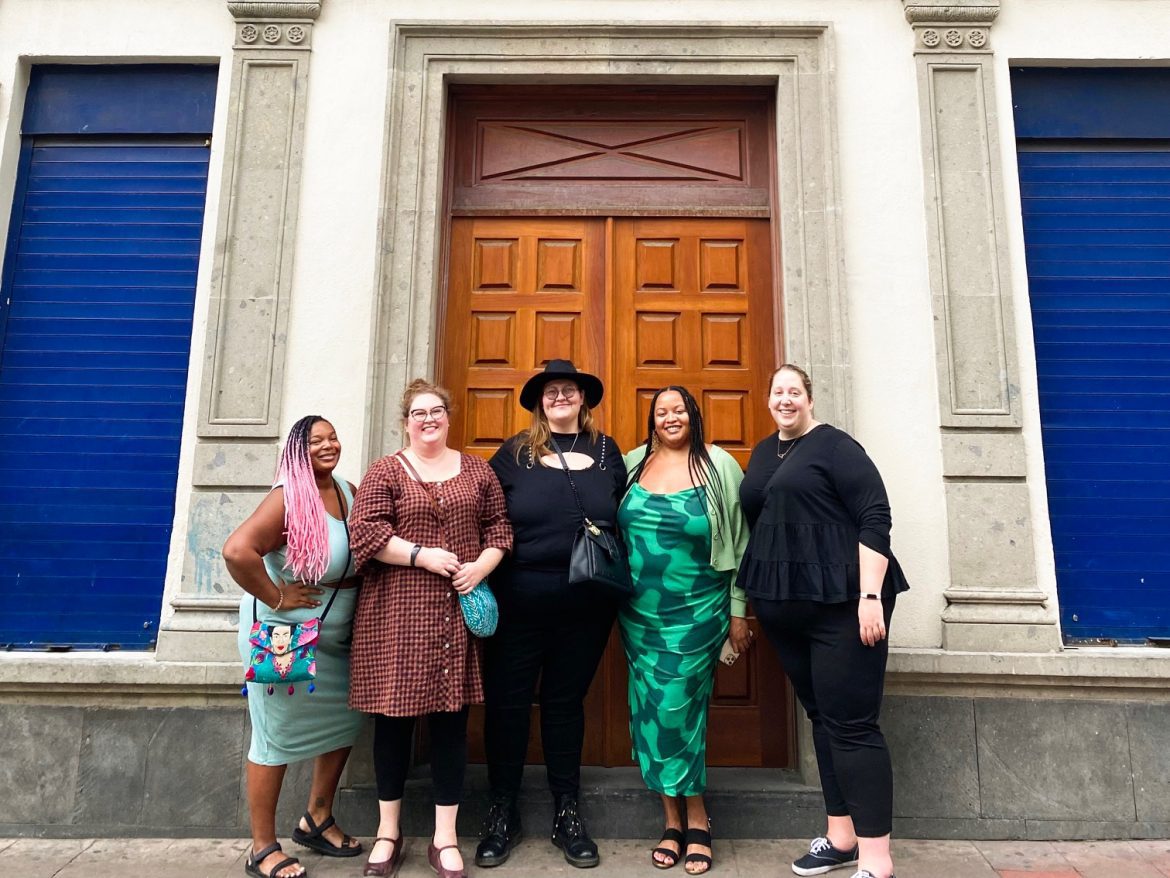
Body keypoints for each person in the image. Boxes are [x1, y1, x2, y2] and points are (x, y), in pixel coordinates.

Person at [737, 365, 909, 878]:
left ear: (809, 398)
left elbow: (875, 516)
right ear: (768, 401)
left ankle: (878, 860)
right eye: (777, 392)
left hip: (845, 606)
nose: (785, 400)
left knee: (853, 727)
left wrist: (870, 596)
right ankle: (840, 837)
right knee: (823, 720)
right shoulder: (766, 451)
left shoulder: (837, 447)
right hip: (786, 606)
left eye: (794, 391)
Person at [347, 378, 512, 878]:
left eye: (436, 411)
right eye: (419, 412)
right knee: (394, 726)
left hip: (453, 618)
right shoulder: (385, 471)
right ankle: (388, 832)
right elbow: (366, 534)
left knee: (449, 726)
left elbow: (499, 528)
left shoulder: (477, 470)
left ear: (448, 416)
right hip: (395, 615)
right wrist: (420, 555)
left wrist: (480, 567)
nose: (428, 419)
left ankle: (444, 837)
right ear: (406, 421)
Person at [476, 359, 627, 870]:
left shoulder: (608, 452)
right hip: (517, 605)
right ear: (539, 401)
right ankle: (503, 811)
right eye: (551, 390)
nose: (560, 396)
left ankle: (567, 812)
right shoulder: (514, 454)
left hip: (586, 609)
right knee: (509, 706)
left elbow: (625, 519)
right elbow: (487, 518)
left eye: (570, 389)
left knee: (565, 705)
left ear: (584, 398)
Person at [223, 416, 365, 878]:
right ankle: (262, 847)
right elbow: (237, 550)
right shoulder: (287, 498)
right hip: (282, 638)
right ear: (296, 452)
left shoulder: (346, 490)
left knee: (344, 722)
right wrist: (279, 596)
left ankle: (317, 819)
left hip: (336, 640)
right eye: (315, 441)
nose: (328, 446)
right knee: (274, 737)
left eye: (332, 437)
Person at [618, 386, 752, 875]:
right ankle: (671, 820)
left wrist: (740, 611)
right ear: (651, 420)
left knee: (679, 709)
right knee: (648, 710)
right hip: (638, 615)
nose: (670, 418)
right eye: (661, 412)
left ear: (693, 415)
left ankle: (698, 816)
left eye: (678, 410)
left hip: (698, 611)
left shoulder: (719, 466)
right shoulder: (633, 462)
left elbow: (740, 539)